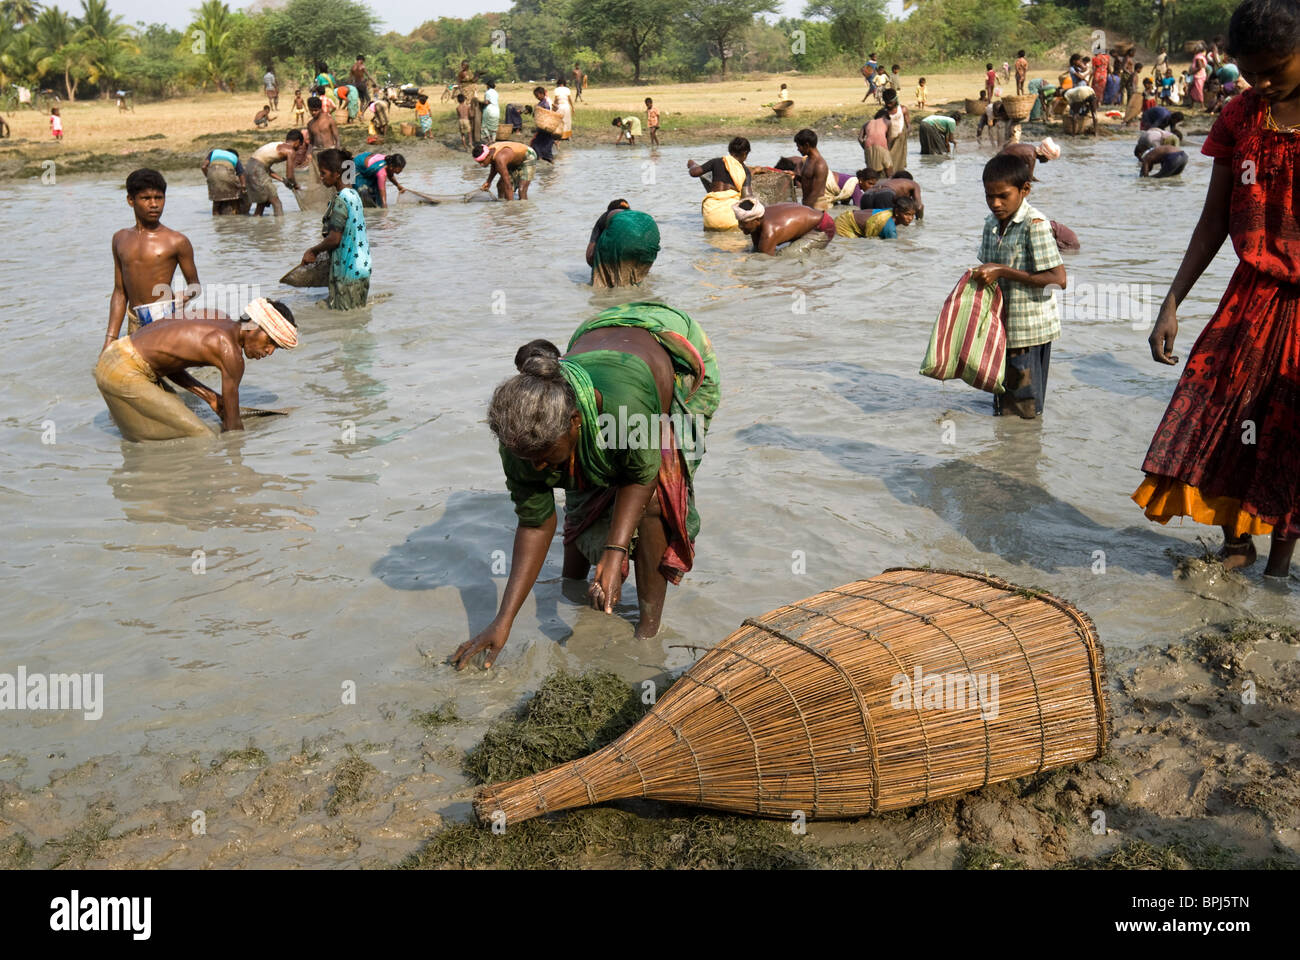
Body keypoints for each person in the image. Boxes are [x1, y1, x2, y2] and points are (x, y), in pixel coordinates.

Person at [452, 303, 720, 668]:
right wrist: (504, 620)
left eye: (546, 456)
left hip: (672, 349)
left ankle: (648, 631)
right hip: (593, 336)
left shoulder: (625, 411)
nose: (540, 468)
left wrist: (614, 549)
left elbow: (639, 476)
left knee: (656, 499)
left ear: (576, 421)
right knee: (581, 483)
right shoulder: (520, 437)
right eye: (532, 460)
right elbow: (535, 523)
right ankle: (573, 586)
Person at [1135, 0, 1300, 582]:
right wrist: (1172, 301)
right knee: (1224, 412)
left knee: (1290, 428)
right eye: (1252, 71)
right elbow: (1213, 219)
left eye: (1275, 70)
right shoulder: (1240, 118)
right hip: (1252, 293)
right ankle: (1238, 544)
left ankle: (1280, 566)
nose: (1262, 82)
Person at [94, 300, 298, 441]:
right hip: (125, 371)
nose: (270, 351)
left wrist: (209, 396)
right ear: (253, 325)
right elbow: (233, 427)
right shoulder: (231, 354)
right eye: (270, 342)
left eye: (275, 348)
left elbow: (169, 361)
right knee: (203, 437)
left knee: (170, 425)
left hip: (116, 356)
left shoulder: (217, 318)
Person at [972, 153, 1067, 419]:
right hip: (1001, 328)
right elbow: (989, 274)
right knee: (1004, 405)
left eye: (1003, 196)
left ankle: (1022, 457)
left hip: (1028, 331)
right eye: (989, 196)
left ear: (1024, 190)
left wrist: (1003, 270)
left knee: (1024, 412)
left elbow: (1059, 280)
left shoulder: (1034, 225)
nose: (995, 203)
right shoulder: (991, 224)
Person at [104, 169, 200, 350]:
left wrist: (184, 296)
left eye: (159, 197)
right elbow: (119, 292)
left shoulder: (176, 241)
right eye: (146, 198)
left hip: (164, 320)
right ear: (130, 200)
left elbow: (195, 285)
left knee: (167, 374)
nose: (154, 204)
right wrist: (110, 338)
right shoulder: (120, 239)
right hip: (135, 320)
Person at [303, 148, 371, 310]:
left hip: (347, 270)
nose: (321, 177)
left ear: (337, 174)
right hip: (362, 266)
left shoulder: (341, 199)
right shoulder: (354, 195)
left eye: (323, 173)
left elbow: (335, 238)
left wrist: (313, 251)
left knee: (345, 319)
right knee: (357, 315)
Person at [586, 199, 661, 288]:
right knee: (635, 282)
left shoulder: (607, 215)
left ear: (610, 210)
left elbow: (589, 255)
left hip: (623, 236)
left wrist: (600, 268)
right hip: (651, 232)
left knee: (604, 286)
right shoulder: (636, 216)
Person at [688, 137, 753, 229]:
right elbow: (748, 197)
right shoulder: (745, 171)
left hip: (710, 216)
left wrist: (692, 164)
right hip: (731, 217)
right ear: (745, 153)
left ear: (729, 151)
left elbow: (694, 173)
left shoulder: (715, 162)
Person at [733, 199, 835, 254]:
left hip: (823, 227)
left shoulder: (770, 232)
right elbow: (756, 248)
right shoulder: (758, 218)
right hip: (807, 220)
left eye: (744, 223)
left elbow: (763, 262)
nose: (740, 226)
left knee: (785, 256)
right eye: (739, 222)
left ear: (757, 220)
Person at [246, 133, 302, 217]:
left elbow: (266, 169)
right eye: (300, 145)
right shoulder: (290, 151)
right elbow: (290, 176)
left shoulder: (279, 145)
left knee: (262, 203)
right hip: (257, 170)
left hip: (249, 167)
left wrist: (282, 180)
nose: (299, 148)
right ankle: (279, 227)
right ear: (297, 142)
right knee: (276, 203)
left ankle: (258, 225)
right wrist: (295, 184)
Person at [833, 195, 917, 239]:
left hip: (847, 216)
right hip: (844, 225)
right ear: (897, 213)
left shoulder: (889, 211)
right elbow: (891, 247)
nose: (910, 218)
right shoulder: (889, 228)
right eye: (907, 214)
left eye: (913, 215)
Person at [200, 148, 248, 216]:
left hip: (212, 175)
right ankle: (235, 214)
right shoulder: (234, 157)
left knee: (216, 202)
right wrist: (243, 186)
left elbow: (203, 167)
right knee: (234, 196)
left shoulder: (214, 152)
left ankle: (216, 217)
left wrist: (209, 178)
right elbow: (241, 173)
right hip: (227, 174)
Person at [857, 172, 925, 218]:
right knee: (887, 224)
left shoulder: (885, 181)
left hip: (866, 195)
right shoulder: (912, 183)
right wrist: (919, 222)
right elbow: (919, 207)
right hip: (885, 195)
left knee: (867, 222)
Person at [794, 128, 829, 209]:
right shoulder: (808, 160)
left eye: (799, 146)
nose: (798, 149)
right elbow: (807, 180)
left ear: (806, 145)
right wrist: (795, 176)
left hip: (817, 206)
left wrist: (804, 209)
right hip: (808, 204)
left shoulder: (820, 165)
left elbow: (815, 193)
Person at [878, 88, 910, 173]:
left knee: (899, 162)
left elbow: (908, 126)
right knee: (887, 162)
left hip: (900, 139)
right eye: (887, 103)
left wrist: (904, 134)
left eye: (890, 103)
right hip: (887, 140)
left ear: (896, 100)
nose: (888, 105)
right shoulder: (883, 113)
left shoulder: (903, 110)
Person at [529, 86, 557, 163]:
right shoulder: (541, 103)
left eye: (537, 95)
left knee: (538, 143)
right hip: (543, 127)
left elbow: (545, 113)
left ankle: (542, 158)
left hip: (545, 126)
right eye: (536, 96)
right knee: (543, 143)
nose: (537, 97)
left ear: (542, 94)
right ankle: (545, 158)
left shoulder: (545, 103)